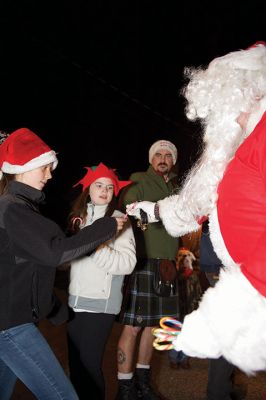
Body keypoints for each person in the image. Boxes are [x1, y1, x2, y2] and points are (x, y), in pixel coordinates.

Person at [126, 41, 266, 390]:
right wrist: (155, 210)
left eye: (230, 106)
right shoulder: (238, 145)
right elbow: (200, 197)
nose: (228, 119)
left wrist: (229, 305)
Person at [0, 128, 126, 400]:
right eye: (44, 168)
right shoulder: (13, 209)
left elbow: (24, 269)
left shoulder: (20, 207)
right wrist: (105, 227)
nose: (49, 174)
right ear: (24, 168)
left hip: (10, 323)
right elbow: (54, 253)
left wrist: (52, 307)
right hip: (10, 327)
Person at [115, 139, 180, 400]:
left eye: (168, 155)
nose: (163, 158)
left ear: (173, 161)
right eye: (158, 155)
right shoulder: (138, 180)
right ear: (151, 159)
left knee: (154, 327)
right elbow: (129, 207)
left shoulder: (177, 186)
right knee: (133, 326)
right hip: (145, 261)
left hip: (168, 265)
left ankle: (143, 383)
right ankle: (124, 388)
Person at [66, 162, 136, 400]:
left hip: (101, 304)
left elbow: (128, 263)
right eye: (99, 185)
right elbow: (70, 259)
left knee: (89, 365)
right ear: (88, 188)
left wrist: (94, 248)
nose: (104, 191)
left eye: (109, 187)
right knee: (75, 366)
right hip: (75, 302)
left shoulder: (120, 220)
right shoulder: (79, 218)